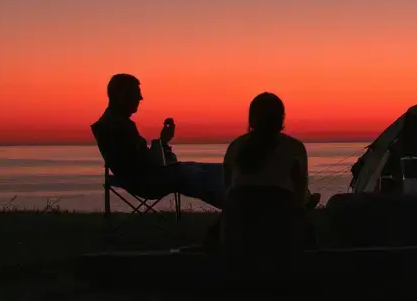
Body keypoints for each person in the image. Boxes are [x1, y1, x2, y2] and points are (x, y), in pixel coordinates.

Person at [91, 74, 226, 208]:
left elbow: (141, 160)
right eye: (136, 93)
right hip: (145, 182)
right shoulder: (116, 126)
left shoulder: (114, 123)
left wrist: (162, 142)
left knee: (209, 169)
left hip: (147, 176)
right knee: (196, 174)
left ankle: (232, 205)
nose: (140, 98)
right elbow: (144, 164)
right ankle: (233, 208)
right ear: (122, 95)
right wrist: (162, 142)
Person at [222, 93, 314, 256]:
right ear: (281, 119)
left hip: (238, 226)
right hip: (280, 226)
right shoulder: (295, 148)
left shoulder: (236, 147)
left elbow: (227, 189)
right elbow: (299, 197)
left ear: (251, 118)